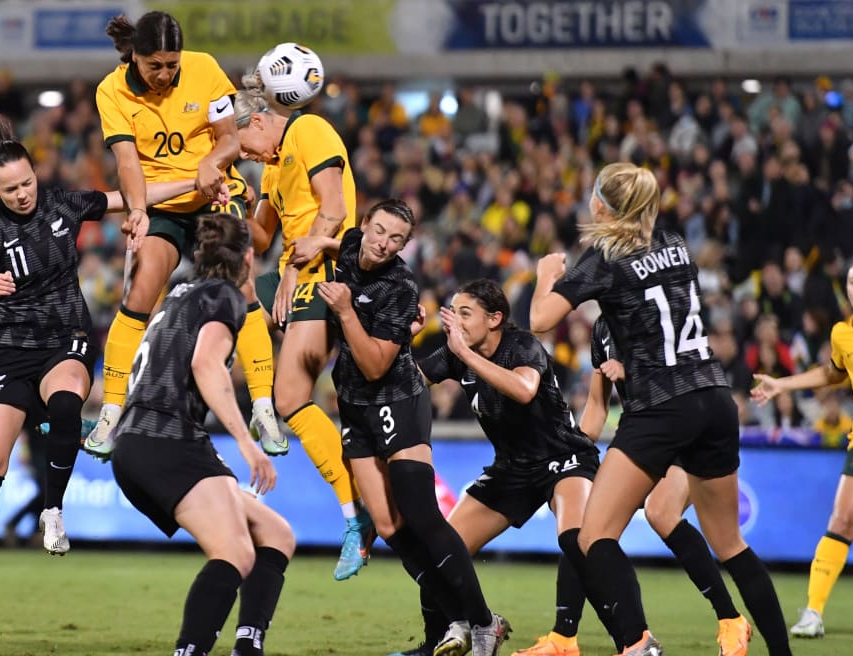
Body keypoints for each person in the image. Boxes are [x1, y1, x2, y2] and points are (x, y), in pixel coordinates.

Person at [0, 99, 202, 628]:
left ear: (35, 173)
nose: (22, 193)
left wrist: (199, 180)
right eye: (11, 189)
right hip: (11, 348)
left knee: (65, 406)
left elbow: (129, 196)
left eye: (26, 182)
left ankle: (52, 510)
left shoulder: (62, 205)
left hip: (67, 338)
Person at [528, 162, 792, 656]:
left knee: (594, 535)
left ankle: (637, 643)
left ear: (602, 205)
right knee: (730, 544)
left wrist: (545, 276)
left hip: (661, 405)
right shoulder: (676, 243)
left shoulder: (605, 256)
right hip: (713, 396)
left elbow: (541, 319)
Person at [88, 11, 283, 463]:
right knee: (140, 292)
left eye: (172, 65)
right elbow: (128, 163)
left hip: (214, 194)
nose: (165, 74)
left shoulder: (204, 68)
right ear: (134, 57)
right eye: (155, 65)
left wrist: (210, 163)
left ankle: (262, 406)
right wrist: (138, 210)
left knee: (245, 287)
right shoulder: (111, 91)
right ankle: (111, 411)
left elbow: (229, 140)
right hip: (163, 207)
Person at [319, 200, 510, 656]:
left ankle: (482, 622)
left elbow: (373, 366)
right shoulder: (346, 246)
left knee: (421, 516)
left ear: (406, 245)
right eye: (379, 231)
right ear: (363, 225)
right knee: (387, 524)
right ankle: (458, 623)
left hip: (397, 399)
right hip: (353, 407)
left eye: (396, 239)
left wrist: (346, 311)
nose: (383, 243)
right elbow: (316, 247)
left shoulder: (401, 286)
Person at [111, 212, 295, 656]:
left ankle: (248, 644)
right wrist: (250, 447)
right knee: (235, 553)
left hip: (140, 440)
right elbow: (205, 364)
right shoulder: (224, 297)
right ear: (249, 257)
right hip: (167, 438)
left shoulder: (180, 292)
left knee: (276, 534)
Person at [386, 278, 598, 656]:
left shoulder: (522, 345)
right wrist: (404, 340)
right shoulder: (456, 353)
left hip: (563, 457)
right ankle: (448, 637)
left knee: (578, 539)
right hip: (511, 470)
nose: (455, 321)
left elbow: (524, 389)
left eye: (465, 313)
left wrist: (466, 356)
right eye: (453, 311)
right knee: (441, 551)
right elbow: (408, 382)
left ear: (495, 318)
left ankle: (581, 639)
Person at [516, 316, 752, 655]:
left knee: (660, 511)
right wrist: (576, 450)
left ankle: (730, 620)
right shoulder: (602, 328)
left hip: (689, 431)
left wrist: (635, 375)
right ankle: (563, 638)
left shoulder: (659, 313)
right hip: (645, 438)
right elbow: (597, 404)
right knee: (587, 521)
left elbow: (686, 378)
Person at [234, 79, 374, 580]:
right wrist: (230, 197)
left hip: (329, 269)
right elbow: (259, 234)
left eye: (240, 146)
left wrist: (292, 270)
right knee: (220, 295)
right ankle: (259, 407)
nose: (244, 155)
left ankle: (355, 513)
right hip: (301, 267)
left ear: (253, 122)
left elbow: (334, 211)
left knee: (293, 397)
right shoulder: (270, 169)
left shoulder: (308, 129)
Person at [751, 259, 853, 640]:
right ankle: (813, 612)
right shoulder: (844, 334)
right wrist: (783, 385)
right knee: (841, 522)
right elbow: (833, 372)